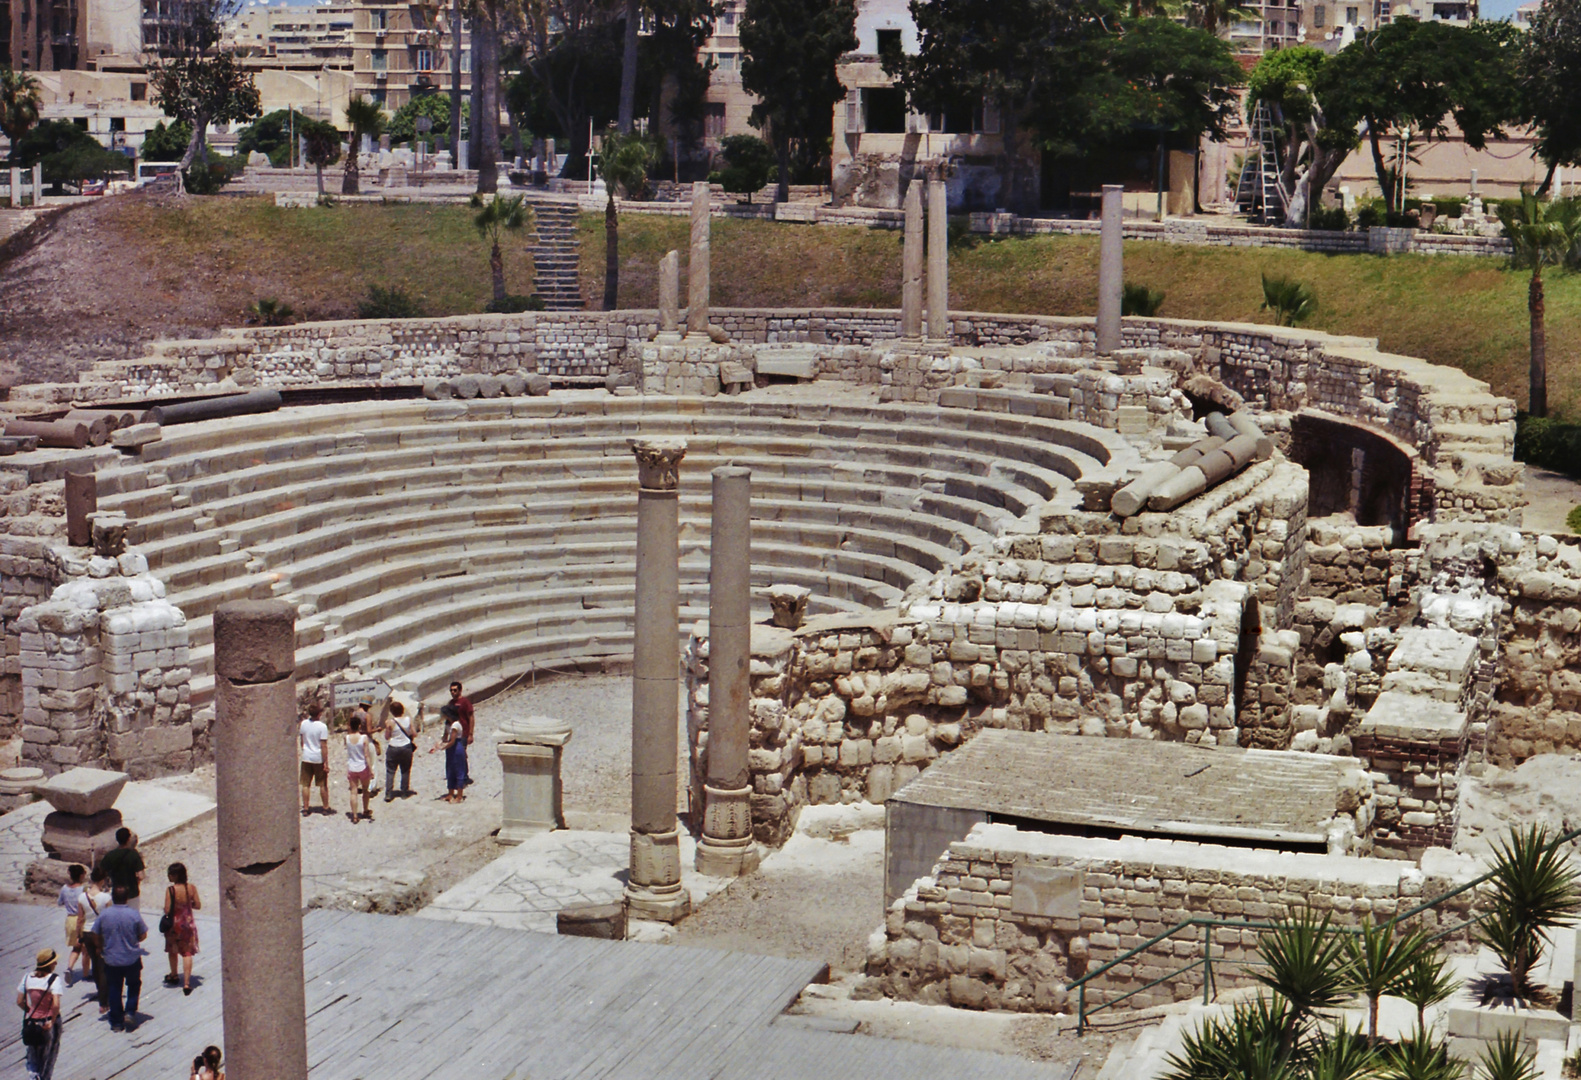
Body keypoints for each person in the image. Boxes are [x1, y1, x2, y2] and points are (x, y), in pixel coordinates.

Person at [91, 884, 147, 1032]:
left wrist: (99, 947)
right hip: (131, 958)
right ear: (127, 898)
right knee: (134, 985)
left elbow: (95, 933)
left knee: (114, 988)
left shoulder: (104, 914)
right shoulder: (134, 914)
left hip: (111, 958)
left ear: (113, 897)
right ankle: (129, 1012)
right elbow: (143, 934)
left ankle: (116, 1022)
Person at [16, 947, 62, 1080]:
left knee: (33, 1053)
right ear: (49, 964)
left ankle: (33, 1076)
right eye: (54, 962)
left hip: (32, 1022)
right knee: (49, 1054)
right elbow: (55, 1004)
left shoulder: (27, 978)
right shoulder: (53, 979)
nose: (56, 964)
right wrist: (52, 1021)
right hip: (48, 1022)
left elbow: (19, 1001)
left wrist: (30, 1010)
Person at [161, 862, 200, 995]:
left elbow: (167, 909)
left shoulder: (171, 890)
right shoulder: (191, 888)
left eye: (170, 874)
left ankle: (174, 975)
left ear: (175, 875)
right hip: (188, 924)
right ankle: (187, 983)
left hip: (174, 924)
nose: (169, 877)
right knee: (187, 953)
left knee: (173, 950)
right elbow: (198, 905)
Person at [56, 864, 91, 986]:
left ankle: (69, 968)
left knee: (76, 947)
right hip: (82, 920)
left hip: (70, 920)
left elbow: (59, 902)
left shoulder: (64, 888)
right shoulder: (84, 889)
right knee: (86, 949)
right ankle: (86, 974)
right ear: (81, 875)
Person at [82, 865, 110, 1012]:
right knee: (103, 967)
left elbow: (81, 918)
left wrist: (78, 936)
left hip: (87, 932)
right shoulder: (106, 897)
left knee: (95, 963)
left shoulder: (82, 896)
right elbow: (110, 916)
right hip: (101, 933)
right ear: (103, 880)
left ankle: (101, 993)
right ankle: (104, 1001)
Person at [382, 695, 420, 802]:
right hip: (406, 747)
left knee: (390, 771)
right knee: (405, 770)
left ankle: (389, 793)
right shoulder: (408, 720)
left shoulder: (389, 722)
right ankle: (404, 792)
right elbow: (414, 733)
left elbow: (386, 737)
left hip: (393, 747)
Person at [428, 704, 467, 803]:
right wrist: (437, 746)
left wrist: (442, 748)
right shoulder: (448, 724)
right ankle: (450, 793)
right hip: (450, 749)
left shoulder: (455, 725)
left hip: (457, 748)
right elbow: (445, 737)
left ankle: (459, 795)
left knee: (459, 770)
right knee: (450, 770)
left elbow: (452, 741)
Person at [299, 701, 332, 815]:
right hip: (318, 758)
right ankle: (325, 807)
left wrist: (305, 750)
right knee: (322, 784)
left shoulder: (303, 724)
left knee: (305, 784)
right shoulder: (322, 727)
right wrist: (326, 762)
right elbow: (323, 746)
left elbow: (302, 741)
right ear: (319, 714)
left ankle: (306, 807)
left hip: (306, 756)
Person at [99, 828, 144, 909]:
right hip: (132, 892)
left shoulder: (110, 855)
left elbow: (101, 872)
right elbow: (141, 875)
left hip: (116, 892)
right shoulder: (133, 854)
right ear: (128, 839)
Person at [344, 716, 376, 824]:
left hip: (352, 767)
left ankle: (354, 815)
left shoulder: (347, 738)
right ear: (359, 726)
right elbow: (366, 755)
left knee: (353, 792)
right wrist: (371, 769)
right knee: (365, 790)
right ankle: (365, 810)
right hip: (362, 767)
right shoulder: (364, 738)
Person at [448, 682, 474, 787]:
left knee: (461, 755)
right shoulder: (450, 703)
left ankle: (463, 778)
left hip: (464, 732)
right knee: (457, 755)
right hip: (454, 733)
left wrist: (471, 734)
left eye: (455, 690)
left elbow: (471, 718)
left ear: (460, 690)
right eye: (451, 690)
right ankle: (462, 776)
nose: (453, 692)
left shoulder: (465, 702)